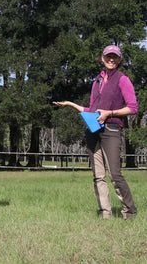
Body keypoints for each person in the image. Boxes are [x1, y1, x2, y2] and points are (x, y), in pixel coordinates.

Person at [53, 45, 138, 220]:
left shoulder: (123, 80)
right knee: (98, 175)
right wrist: (70, 104)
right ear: (102, 58)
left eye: (115, 57)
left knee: (115, 174)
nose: (111, 59)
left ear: (120, 60)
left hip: (111, 129)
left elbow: (132, 108)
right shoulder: (96, 82)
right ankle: (104, 214)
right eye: (108, 56)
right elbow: (92, 110)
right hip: (93, 131)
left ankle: (129, 212)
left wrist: (110, 113)